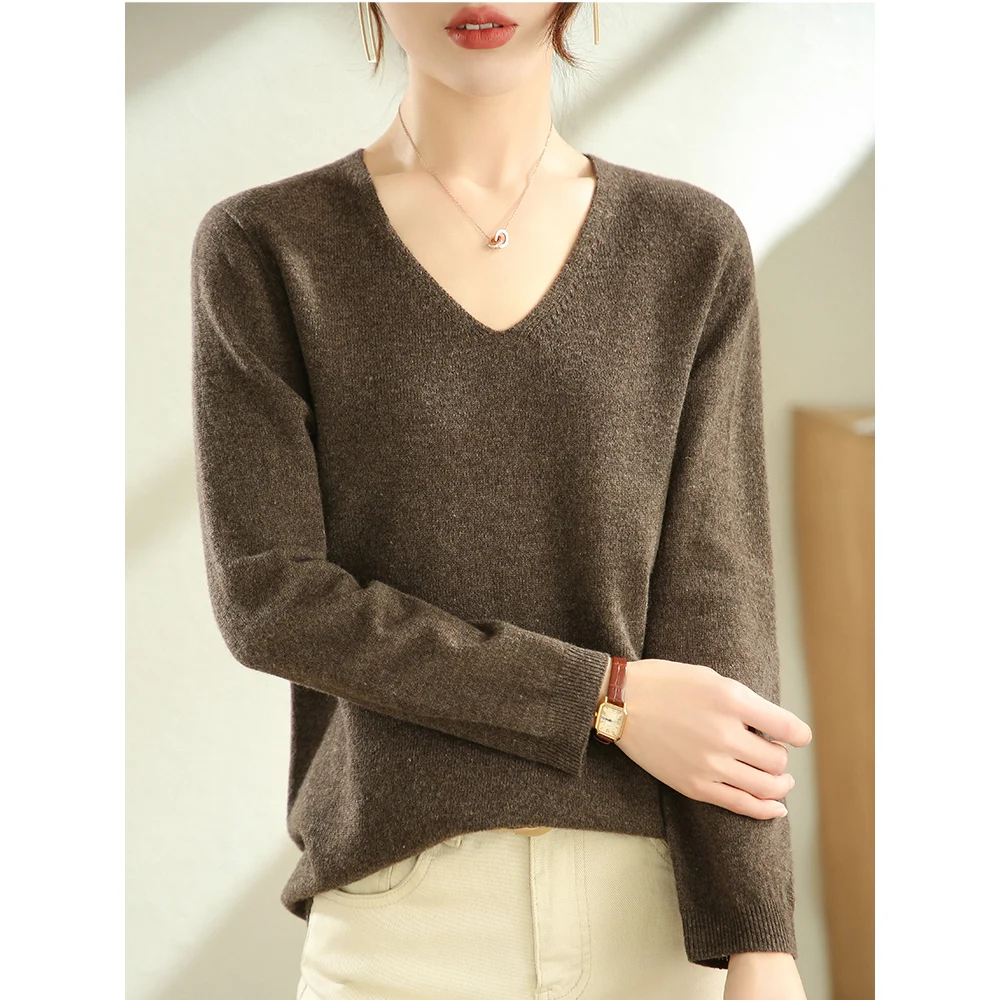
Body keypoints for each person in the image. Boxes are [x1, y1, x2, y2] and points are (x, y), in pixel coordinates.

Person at [190, 4, 814, 998]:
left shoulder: (689, 245)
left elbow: (715, 597)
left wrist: (759, 938)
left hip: (653, 916)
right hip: (400, 923)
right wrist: (602, 697)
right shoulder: (268, 246)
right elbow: (271, 599)